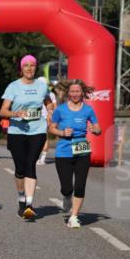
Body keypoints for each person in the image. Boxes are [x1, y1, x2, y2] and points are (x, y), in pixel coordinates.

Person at [0, 55, 53, 220]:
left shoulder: (42, 86)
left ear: (36, 68)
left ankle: (29, 205)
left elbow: (48, 102)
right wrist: (16, 113)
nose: (29, 68)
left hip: (37, 130)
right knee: (20, 169)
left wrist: (50, 111)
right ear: (21, 68)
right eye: (26, 66)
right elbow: (2, 111)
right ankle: (21, 198)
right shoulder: (13, 87)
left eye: (32, 65)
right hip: (17, 131)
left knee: (31, 164)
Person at [48, 79, 101, 228]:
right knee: (67, 187)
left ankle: (74, 217)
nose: (75, 94)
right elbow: (51, 128)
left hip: (82, 150)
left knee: (80, 185)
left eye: (77, 91)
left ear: (82, 92)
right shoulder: (60, 109)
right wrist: (62, 132)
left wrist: (95, 130)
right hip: (63, 151)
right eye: (72, 91)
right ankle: (66, 196)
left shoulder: (88, 110)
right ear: (68, 93)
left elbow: (98, 128)